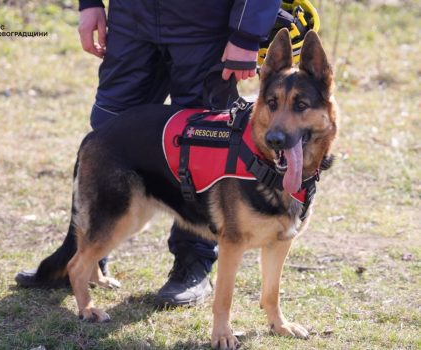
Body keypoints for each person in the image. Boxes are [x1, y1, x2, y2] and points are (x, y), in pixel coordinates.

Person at [16, 0, 280, 306]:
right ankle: (83, 258)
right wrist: (89, 4)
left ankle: (191, 264)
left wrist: (247, 32)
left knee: (202, 149)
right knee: (106, 143)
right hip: (131, 19)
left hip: (207, 23)